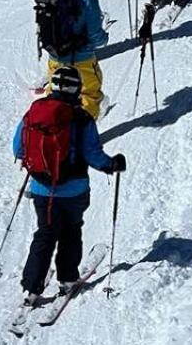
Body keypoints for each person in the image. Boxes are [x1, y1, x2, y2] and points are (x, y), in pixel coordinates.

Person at [13, 64, 125, 305]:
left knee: (45, 234)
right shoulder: (82, 117)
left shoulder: (35, 111)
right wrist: (112, 164)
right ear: (77, 90)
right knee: (71, 232)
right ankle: (67, 279)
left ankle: (31, 288)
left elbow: (17, 147)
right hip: (75, 190)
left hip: (42, 189)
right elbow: (93, 154)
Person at [36, 0, 110, 120]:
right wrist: (104, 39)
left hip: (55, 55)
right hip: (82, 59)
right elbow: (95, 35)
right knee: (90, 94)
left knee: (56, 91)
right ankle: (82, 133)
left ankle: (52, 125)